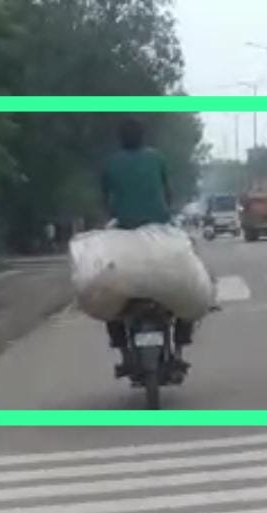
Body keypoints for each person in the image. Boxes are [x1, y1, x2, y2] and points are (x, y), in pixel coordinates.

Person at [100, 117, 193, 374]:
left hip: (124, 229)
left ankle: (124, 354)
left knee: (110, 300)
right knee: (189, 288)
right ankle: (179, 350)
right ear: (143, 138)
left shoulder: (111, 163)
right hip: (160, 227)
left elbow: (105, 197)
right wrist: (164, 210)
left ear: (120, 140)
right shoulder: (156, 158)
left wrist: (115, 214)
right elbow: (167, 191)